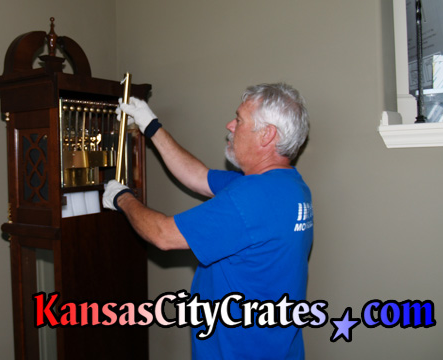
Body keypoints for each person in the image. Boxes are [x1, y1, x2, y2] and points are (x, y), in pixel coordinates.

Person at [103, 82, 313, 359]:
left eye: (239, 120)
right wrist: (150, 125)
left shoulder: (253, 197)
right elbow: (199, 177)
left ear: (266, 135)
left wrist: (122, 198)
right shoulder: (288, 186)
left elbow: (163, 235)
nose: (230, 125)